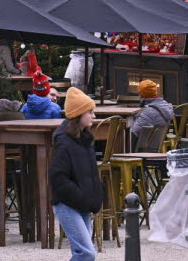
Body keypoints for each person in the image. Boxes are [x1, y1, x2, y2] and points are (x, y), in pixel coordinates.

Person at [49, 87, 104, 261]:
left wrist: (96, 195)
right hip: (67, 203)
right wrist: (82, 197)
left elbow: (91, 173)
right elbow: (58, 177)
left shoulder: (85, 139)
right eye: (90, 112)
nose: (94, 116)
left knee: (81, 252)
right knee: (86, 253)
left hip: (82, 203)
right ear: (79, 114)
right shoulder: (64, 142)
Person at [131, 79, 174, 148]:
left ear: (141, 95)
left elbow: (134, 134)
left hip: (143, 150)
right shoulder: (165, 106)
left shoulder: (148, 112)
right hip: (156, 146)